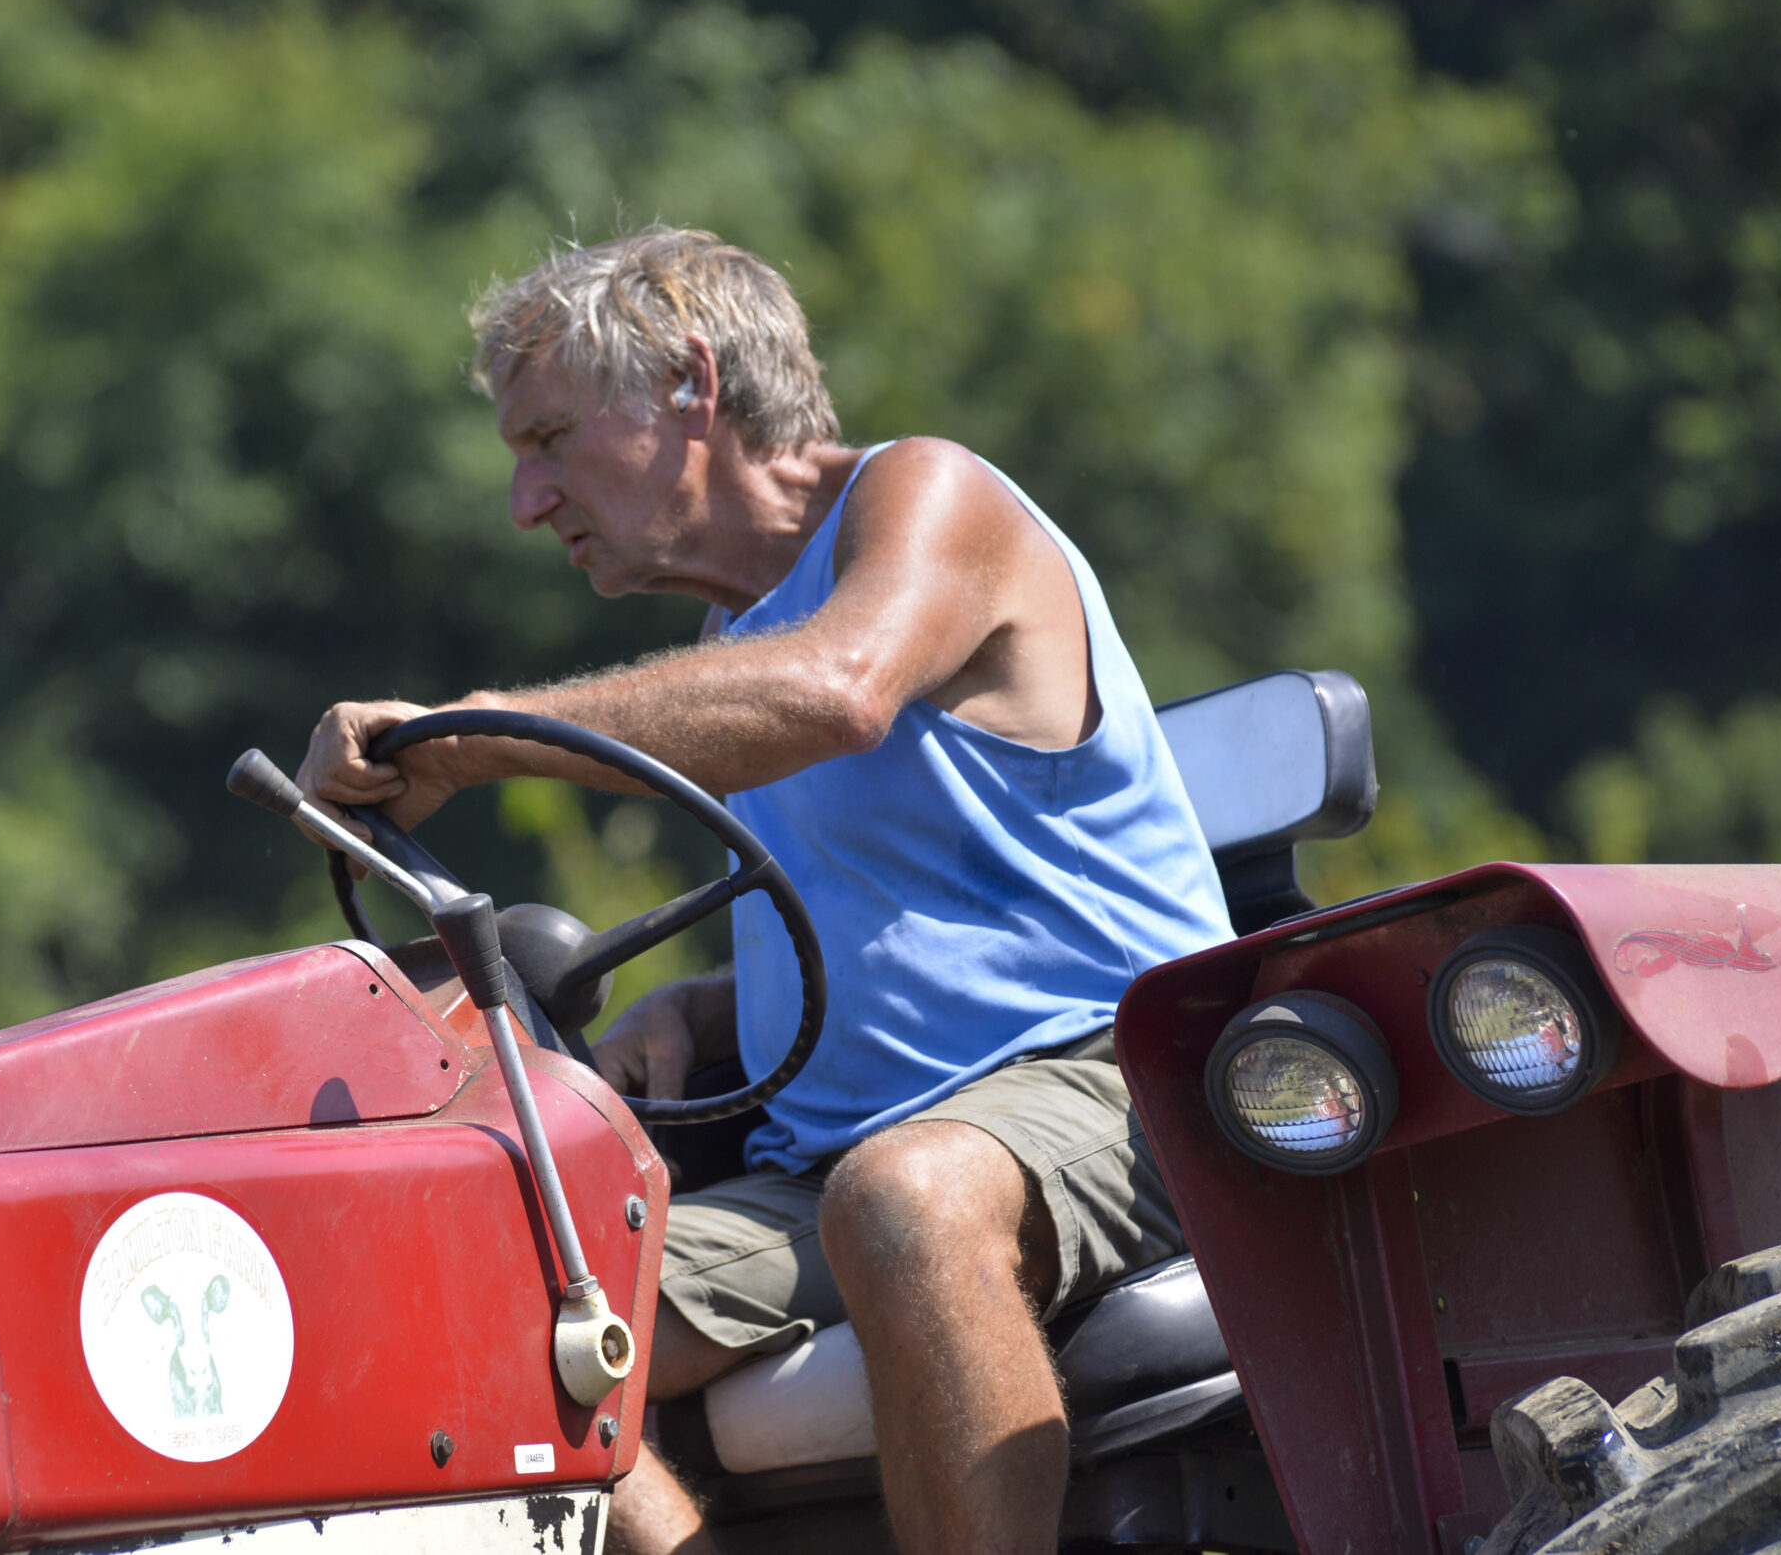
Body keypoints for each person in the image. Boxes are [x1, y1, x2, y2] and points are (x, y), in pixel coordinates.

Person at [298, 227, 1230, 1555]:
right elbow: (908, 922)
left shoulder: (929, 499)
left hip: (1108, 1080)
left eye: (549, 438)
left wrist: (487, 729)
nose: (525, 501)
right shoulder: (732, 642)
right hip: (844, 1152)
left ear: (691, 382)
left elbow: (842, 693)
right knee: (474, 1297)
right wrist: (703, 1006)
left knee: (905, 1200)